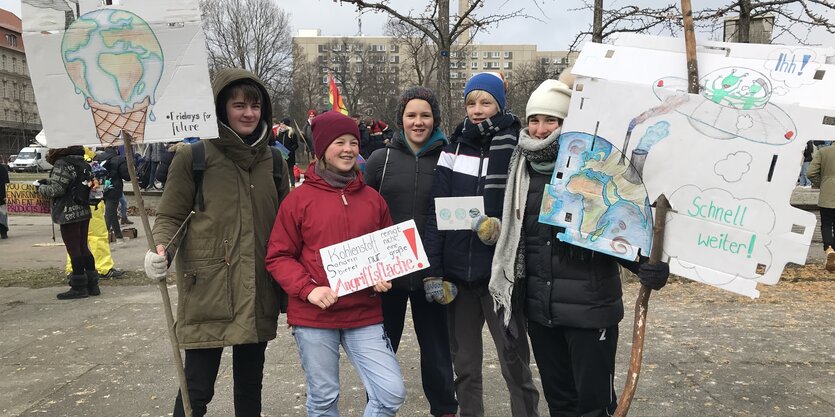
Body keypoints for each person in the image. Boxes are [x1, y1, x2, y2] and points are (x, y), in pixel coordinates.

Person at [487, 76, 669, 417]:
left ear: (567, 123)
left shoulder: (596, 165)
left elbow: (621, 220)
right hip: (542, 314)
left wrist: (645, 264)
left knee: (594, 407)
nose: (540, 130)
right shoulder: (520, 169)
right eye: (534, 120)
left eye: (551, 120)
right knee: (561, 405)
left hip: (590, 310)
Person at [143, 68, 290, 417]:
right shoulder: (193, 158)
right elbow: (170, 216)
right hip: (210, 287)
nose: (248, 113)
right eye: (239, 105)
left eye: (255, 106)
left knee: (250, 385)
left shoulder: (274, 162)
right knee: (197, 386)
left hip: (258, 286)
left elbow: (289, 225)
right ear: (220, 109)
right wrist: (160, 249)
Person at [266, 110, 406, 417]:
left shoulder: (373, 199)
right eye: (339, 142)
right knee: (324, 398)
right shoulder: (298, 200)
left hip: (363, 313)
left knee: (390, 393)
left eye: (353, 142)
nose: (348, 149)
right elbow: (278, 256)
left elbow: (385, 251)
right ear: (321, 151)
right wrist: (308, 290)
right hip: (315, 315)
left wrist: (383, 274)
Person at [423, 72, 540, 417]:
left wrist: (500, 229)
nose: (477, 110)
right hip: (459, 278)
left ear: (499, 105)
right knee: (466, 368)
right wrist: (434, 272)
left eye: (485, 102)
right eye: (471, 103)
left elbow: (523, 205)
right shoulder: (452, 149)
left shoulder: (516, 146)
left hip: (498, 278)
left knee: (514, 364)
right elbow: (436, 214)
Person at [365, 87, 457, 417]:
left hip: (433, 276)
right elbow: (363, 214)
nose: (418, 122)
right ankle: (377, 407)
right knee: (379, 350)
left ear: (435, 119)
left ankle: (445, 409)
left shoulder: (450, 158)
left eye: (425, 115)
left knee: (436, 351)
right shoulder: (380, 159)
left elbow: (458, 213)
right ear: (401, 119)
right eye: (411, 115)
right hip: (386, 278)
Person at [37, 145, 100, 299]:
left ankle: (79, 287)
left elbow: (56, 190)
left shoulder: (63, 163)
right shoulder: (84, 163)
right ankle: (93, 285)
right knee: (83, 247)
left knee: (73, 250)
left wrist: (40, 187)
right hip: (84, 210)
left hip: (67, 212)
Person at [808, 142, 835, 271]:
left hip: (827, 194)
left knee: (826, 224)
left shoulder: (824, 151)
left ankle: (829, 249)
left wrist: (822, 183)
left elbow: (810, 173)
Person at [275, 118, 298, 185]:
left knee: (290, 171)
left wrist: (290, 151)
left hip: (289, 156)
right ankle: (282, 186)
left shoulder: (292, 133)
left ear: (286, 125)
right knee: (281, 172)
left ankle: (292, 186)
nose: (281, 125)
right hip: (281, 155)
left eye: (283, 124)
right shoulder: (278, 133)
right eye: (281, 124)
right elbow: (276, 143)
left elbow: (296, 145)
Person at [0, 161, 8, 239]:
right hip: (2, 196)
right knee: (2, 215)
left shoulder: (2, 168)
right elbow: (6, 182)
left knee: (2, 215)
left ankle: (3, 231)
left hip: (1, 196)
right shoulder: (2, 168)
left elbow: (6, 183)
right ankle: (3, 232)